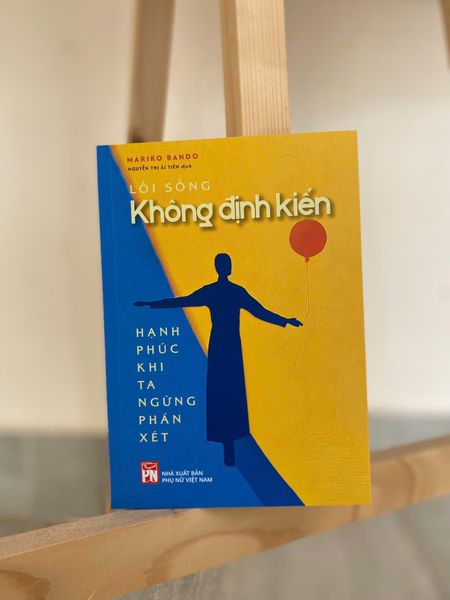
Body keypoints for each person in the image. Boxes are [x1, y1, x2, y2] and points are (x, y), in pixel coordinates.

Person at [135, 253, 301, 466]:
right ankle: (229, 443)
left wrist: (151, 304)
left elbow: (184, 301)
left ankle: (228, 443)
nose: (228, 266)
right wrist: (284, 320)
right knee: (228, 390)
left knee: (222, 390)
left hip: (221, 345)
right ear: (223, 267)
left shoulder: (216, 291)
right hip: (229, 345)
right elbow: (259, 311)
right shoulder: (234, 291)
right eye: (226, 263)